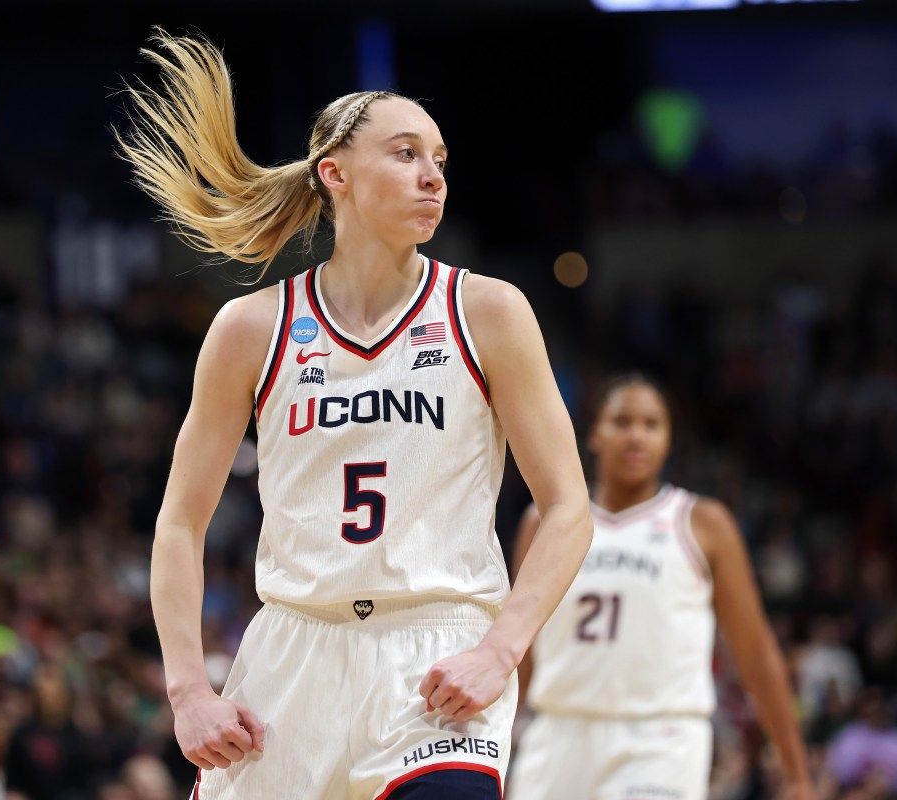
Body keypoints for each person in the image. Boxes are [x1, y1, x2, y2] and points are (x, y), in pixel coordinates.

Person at [116, 32, 592, 800]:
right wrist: (188, 692)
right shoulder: (251, 328)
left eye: (440, 159)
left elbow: (568, 507)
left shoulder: (489, 312)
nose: (432, 176)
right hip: (290, 655)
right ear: (334, 174)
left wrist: (500, 650)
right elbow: (179, 523)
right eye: (406, 154)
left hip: (435, 647)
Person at [506, 374, 816, 800]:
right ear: (594, 432)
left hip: (660, 739)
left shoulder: (702, 523)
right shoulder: (542, 523)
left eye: (652, 424)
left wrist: (797, 772)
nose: (637, 435)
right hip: (557, 732)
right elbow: (517, 648)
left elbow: (755, 651)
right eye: (622, 421)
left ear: (669, 441)